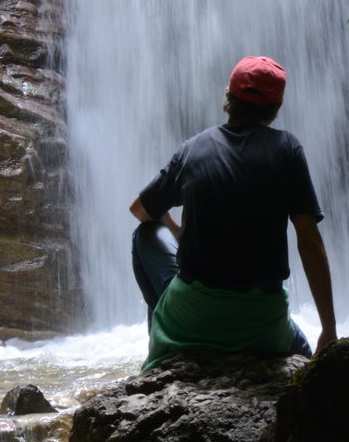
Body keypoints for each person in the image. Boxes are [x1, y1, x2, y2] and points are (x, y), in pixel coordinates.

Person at [129, 55, 337, 371]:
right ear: (276, 108)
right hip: (264, 328)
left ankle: (165, 341)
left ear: (228, 95)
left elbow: (140, 210)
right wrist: (330, 329)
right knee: (305, 355)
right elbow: (309, 242)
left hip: (193, 321)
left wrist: (174, 227)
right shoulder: (288, 150)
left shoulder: (193, 148)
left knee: (144, 234)